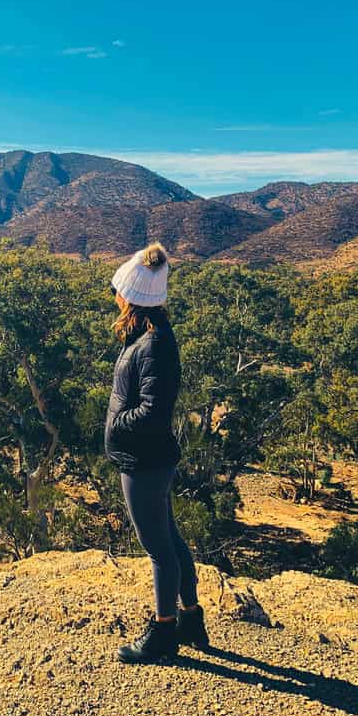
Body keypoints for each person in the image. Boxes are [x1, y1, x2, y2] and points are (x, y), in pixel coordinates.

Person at [104, 242, 207, 664]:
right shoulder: (151, 336)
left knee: (158, 549)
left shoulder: (153, 345)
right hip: (152, 458)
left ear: (131, 297)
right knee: (170, 539)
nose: (113, 295)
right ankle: (191, 618)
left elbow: (152, 410)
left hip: (143, 461)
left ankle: (164, 631)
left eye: (117, 290)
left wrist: (116, 424)